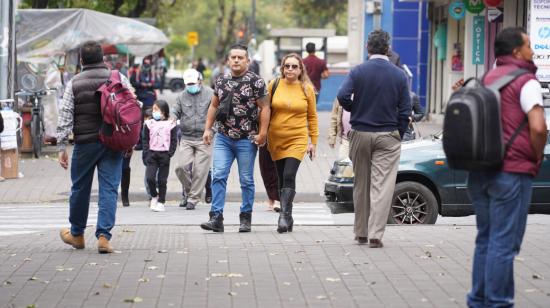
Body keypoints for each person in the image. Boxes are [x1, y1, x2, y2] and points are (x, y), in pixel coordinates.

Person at [466, 27, 547, 308]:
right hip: (511, 172)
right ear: (516, 52)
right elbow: (538, 126)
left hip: (479, 171)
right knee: (504, 243)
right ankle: (498, 302)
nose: (532, 50)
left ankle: (478, 300)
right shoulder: (526, 81)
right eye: (528, 45)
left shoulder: (487, 78)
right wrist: (537, 156)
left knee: (486, 239)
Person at [57, 40, 136, 254]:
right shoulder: (118, 78)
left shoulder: (75, 82)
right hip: (113, 141)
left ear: (81, 60)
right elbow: (133, 106)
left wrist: (61, 146)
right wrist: (131, 140)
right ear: (103, 59)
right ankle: (103, 237)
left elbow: (65, 115)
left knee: (80, 189)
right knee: (109, 189)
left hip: (85, 143)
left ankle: (77, 234)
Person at [337, 29, 411, 248]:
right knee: (382, 186)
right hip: (388, 135)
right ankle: (376, 234)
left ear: (368, 48)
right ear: (387, 49)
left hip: (360, 133)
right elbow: (405, 108)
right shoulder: (398, 74)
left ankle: (360, 232)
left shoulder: (358, 71)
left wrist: (356, 109)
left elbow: (342, 96)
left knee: (361, 183)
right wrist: (398, 131)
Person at [200, 43, 270, 233]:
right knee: (218, 175)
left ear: (247, 60)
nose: (237, 60)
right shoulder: (221, 80)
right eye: (234, 57)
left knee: (246, 179)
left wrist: (262, 133)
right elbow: (214, 106)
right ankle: (216, 217)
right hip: (223, 137)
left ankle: (245, 217)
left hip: (247, 139)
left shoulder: (256, 82)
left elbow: (265, 107)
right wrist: (208, 129)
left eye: (241, 57)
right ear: (229, 60)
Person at [267, 53, 319, 233]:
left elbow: (312, 117)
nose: (290, 69)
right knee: (281, 177)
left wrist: (313, 142)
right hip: (276, 138)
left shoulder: (306, 89)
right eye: (287, 66)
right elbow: (264, 111)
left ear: (300, 70)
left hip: (297, 138)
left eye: (294, 66)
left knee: (289, 174)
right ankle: (288, 216)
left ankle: (283, 215)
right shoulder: (273, 85)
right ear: (282, 68)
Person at [172, 69, 214, 210]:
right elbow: (175, 110)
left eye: (193, 83)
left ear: (199, 81)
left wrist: (212, 131)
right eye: (188, 84)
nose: (190, 86)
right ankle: (191, 192)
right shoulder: (181, 96)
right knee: (180, 167)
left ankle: (193, 199)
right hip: (186, 138)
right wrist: (172, 118)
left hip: (204, 138)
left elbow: (217, 114)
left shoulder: (210, 94)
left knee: (200, 171)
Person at [143, 100, 178, 212]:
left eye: (156, 110)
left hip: (164, 155)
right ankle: (154, 196)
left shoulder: (171, 124)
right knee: (150, 178)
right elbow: (145, 139)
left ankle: (161, 201)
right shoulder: (149, 123)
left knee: (162, 180)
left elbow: (174, 140)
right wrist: (147, 153)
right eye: (153, 110)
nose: (154, 112)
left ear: (164, 111)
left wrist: (170, 153)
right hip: (152, 154)